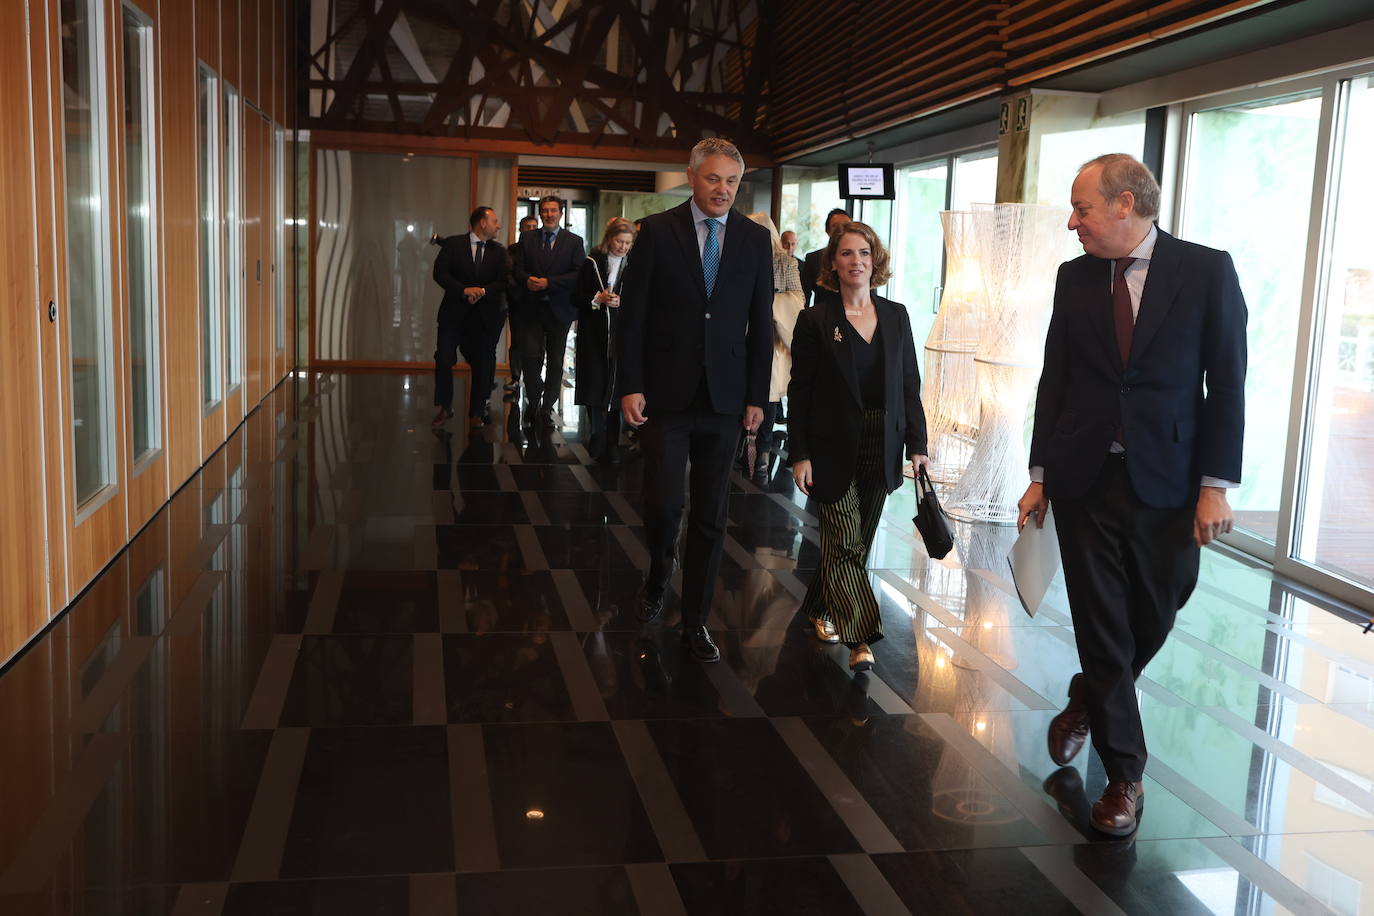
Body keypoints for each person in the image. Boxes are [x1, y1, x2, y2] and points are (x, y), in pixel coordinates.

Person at [1017, 153, 1247, 837]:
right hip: (1085, 477)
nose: (1072, 221)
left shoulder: (1206, 271)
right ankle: (1125, 777)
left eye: (1082, 207)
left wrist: (1214, 487)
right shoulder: (1075, 276)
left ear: (1124, 204)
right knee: (1102, 622)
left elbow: (1227, 385)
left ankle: (1089, 696)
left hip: (1170, 486)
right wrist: (1039, 475)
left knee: (1157, 607)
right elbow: (1055, 377)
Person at [618, 137, 774, 663]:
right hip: (666, 392)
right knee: (665, 503)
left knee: (712, 514)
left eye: (731, 181)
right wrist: (630, 384)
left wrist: (758, 396)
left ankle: (696, 621)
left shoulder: (754, 240)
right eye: (713, 179)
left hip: (727, 397)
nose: (723, 190)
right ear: (692, 177)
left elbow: (760, 327)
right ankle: (659, 574)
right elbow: (633, 315)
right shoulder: (659, 232)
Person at [788, 221, 930, 670]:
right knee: (845, 537)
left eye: (864, 253)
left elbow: (909, 384)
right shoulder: (815, 320)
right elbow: (800, 391)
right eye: (847, 254)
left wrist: (917, 445)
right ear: (832, 263)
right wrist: (799, 453)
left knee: (855, 542)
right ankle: (862, 637)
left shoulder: (896, 315)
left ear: (876, 260)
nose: (857, 262)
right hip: (830, 446)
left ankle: (820, 608)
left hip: (881, 443)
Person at [512, 196, 585, 427]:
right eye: (545, 211)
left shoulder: (573, 241)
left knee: (555, 361)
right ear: (541, 213)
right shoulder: (527, 238)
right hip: (531, 308)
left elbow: (578, 273)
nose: (549, 214)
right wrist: (527, 280)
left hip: (560, 309)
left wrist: (549, 283)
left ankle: (547, 407)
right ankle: (533, 401)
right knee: (531, 359)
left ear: (561, 214)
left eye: (553, 210)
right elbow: (517, 268)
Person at [432, 206, 507, 428]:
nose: (498, 225)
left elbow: (503, 281)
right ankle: (445, 406)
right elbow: (440, 273)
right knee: (444, 358)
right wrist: (463, 290)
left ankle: (476, 412)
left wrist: (482, 292)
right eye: (495, 220)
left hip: (483, 317)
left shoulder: (498, 251)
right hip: (453, 314)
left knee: (483, 365)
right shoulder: (454, 244)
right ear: (482, 223)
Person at [744, 212, 804, 482]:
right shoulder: (735, 256)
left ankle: (762, 456)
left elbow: (796, 298)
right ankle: (744, 451)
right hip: (740, 334)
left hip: (772, 338)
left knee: (766, 397)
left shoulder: (784, 262)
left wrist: (767, 306)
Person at [575, 217, 635, 465]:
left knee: (616, 385)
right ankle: (596, 435)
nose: (623, 247)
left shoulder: (634, 265)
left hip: (621, 333)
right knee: (594, 383)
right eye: (619, 241)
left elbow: (644, 299)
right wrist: (596, 299)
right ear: (609, 239)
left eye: (628, 243)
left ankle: (613, 439)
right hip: (594, 333)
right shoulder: (592, 262)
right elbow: (576, 296)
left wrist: (625, 302)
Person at [505, 214, 539, 393]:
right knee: (517, 341)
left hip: (538, 302)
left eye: (535, 227)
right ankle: (516, 377)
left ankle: (534, 380)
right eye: (528, 227)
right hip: (518, 301)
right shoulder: (512, 250)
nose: (532, 230)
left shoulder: (541, 248)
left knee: (536, 343)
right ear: (521, 229)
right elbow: (508, 274)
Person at [800, 208, 850, 308]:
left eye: (846, 225)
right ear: (828, 231)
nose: (842, 230)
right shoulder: (813, 258)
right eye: (836, 226)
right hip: (822, 317)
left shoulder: (861, 258)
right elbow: (804, 295)